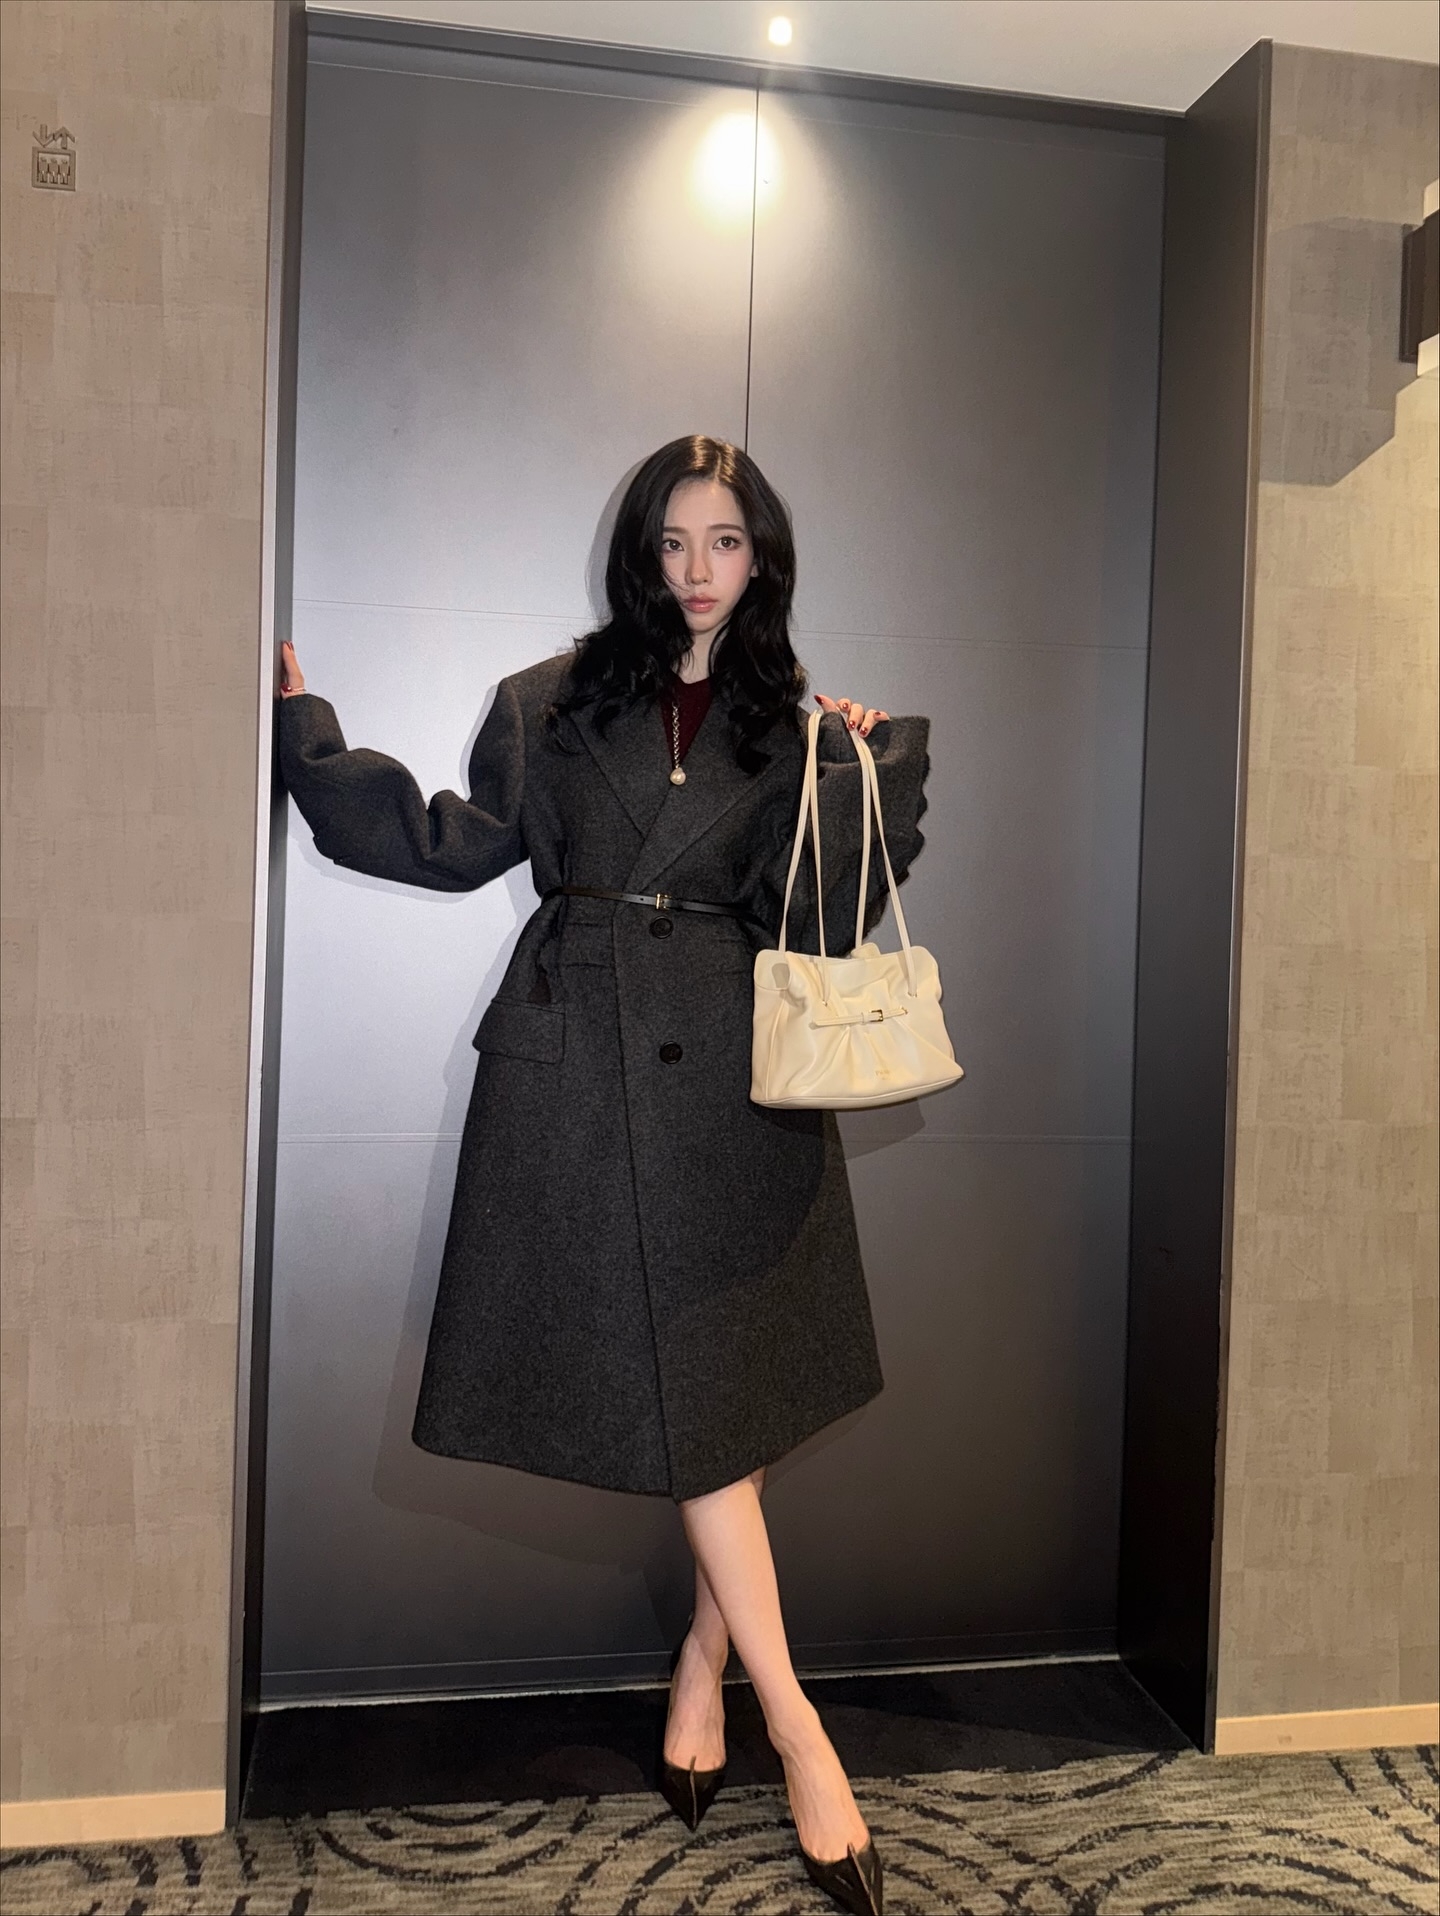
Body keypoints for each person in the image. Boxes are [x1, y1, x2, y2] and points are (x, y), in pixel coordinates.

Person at [275, 434, 931, 1916]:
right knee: (709, 1422)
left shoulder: (791, 726)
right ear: (640, 552)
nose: (698, 570)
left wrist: (870, 770)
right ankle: (799, 1731)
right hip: (577, 1086)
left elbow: (822, 919)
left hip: (735, 1099)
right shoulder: (550, 700)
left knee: (723, 1408)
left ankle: (702, 1665)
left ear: (762, 559)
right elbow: (449, 846)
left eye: (727, 543)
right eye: (674, 541)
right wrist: (307, 738)